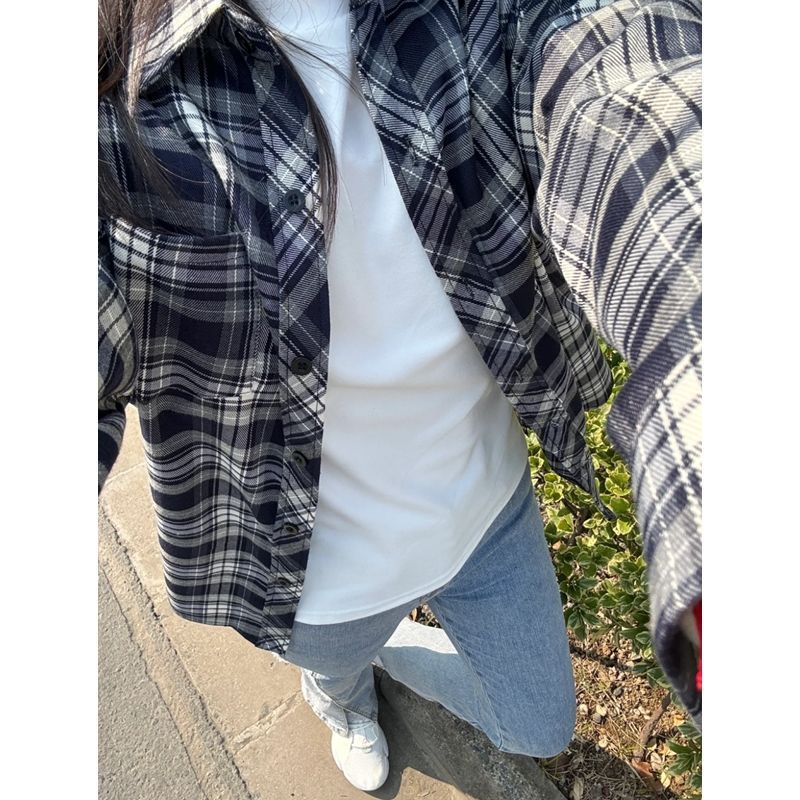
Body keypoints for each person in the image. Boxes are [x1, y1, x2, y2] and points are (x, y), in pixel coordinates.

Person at [98, 0, 701, 791]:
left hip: (488, 512)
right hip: (319, 581)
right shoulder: (117, 94)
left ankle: (382, 661)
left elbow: (636, 99)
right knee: (340, 674)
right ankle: (341, 699)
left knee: (538, 723)